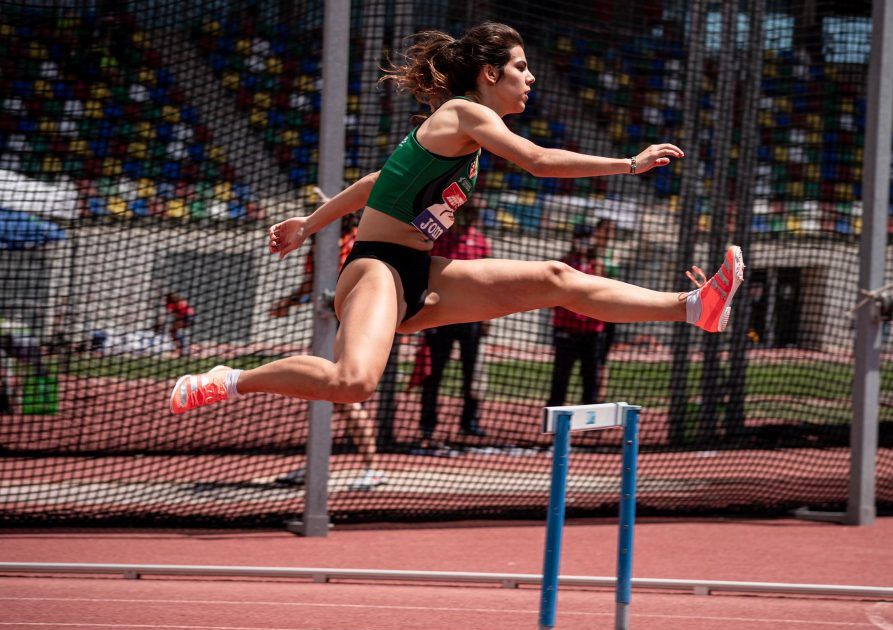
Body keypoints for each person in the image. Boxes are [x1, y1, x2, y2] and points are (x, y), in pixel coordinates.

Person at [170, 22, 744, 419]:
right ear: (490, 73)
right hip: (376, 271)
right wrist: (628, 162)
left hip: (421, 273)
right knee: (353, 383)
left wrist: (308, 224)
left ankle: (695, 308)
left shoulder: (459, 139)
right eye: (521, 67)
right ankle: (227, 380)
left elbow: (376, 184)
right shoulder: (463, 113)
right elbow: (538, 161)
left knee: (554, 278)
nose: (530, 78)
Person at [269, 189, 386, 491]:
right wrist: (288, 302)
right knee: (317, 392)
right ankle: (316, 464)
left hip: (354, 322)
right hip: (327, 324)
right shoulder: (317, 246)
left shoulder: (358, 241)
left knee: (344, 395)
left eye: (327, 209)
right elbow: (310, 285)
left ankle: (372, 468)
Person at [419, 202, 491, 448]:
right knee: (434, 372)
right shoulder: (441, 238)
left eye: (475, 214)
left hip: (471, 316)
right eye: (469, 213)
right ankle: (427, 424)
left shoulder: (481, 242)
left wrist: (487, 318)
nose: (471, 218)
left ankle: (469, 421)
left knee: (472, 373)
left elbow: (488, 281)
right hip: (441, 314)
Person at [548, 224, 604, 407]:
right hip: (566, 327)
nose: (584, 242)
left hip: (591, 329)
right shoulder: (565, 263)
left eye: (588, 237)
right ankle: (555, 413)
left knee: (590, 376)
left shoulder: (597, 265)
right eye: (581, 237)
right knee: (560, 375)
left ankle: (591, 417)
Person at [593, 216, 620, 398]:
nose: (609, 234)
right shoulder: (591, 251)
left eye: (612, 231)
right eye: (606, 230)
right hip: (593, 310)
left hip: (610, 310)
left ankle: (599, 397)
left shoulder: (613, 253)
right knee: (592, 358)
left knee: (602, 358)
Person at [162, 293, 194, 358]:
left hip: (186, 317)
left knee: (175, 331)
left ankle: (182, 349)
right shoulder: (178, 303)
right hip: (187, 317)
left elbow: (177, 313)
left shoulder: (177, 303)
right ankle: (182, 349)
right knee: (175, 332)